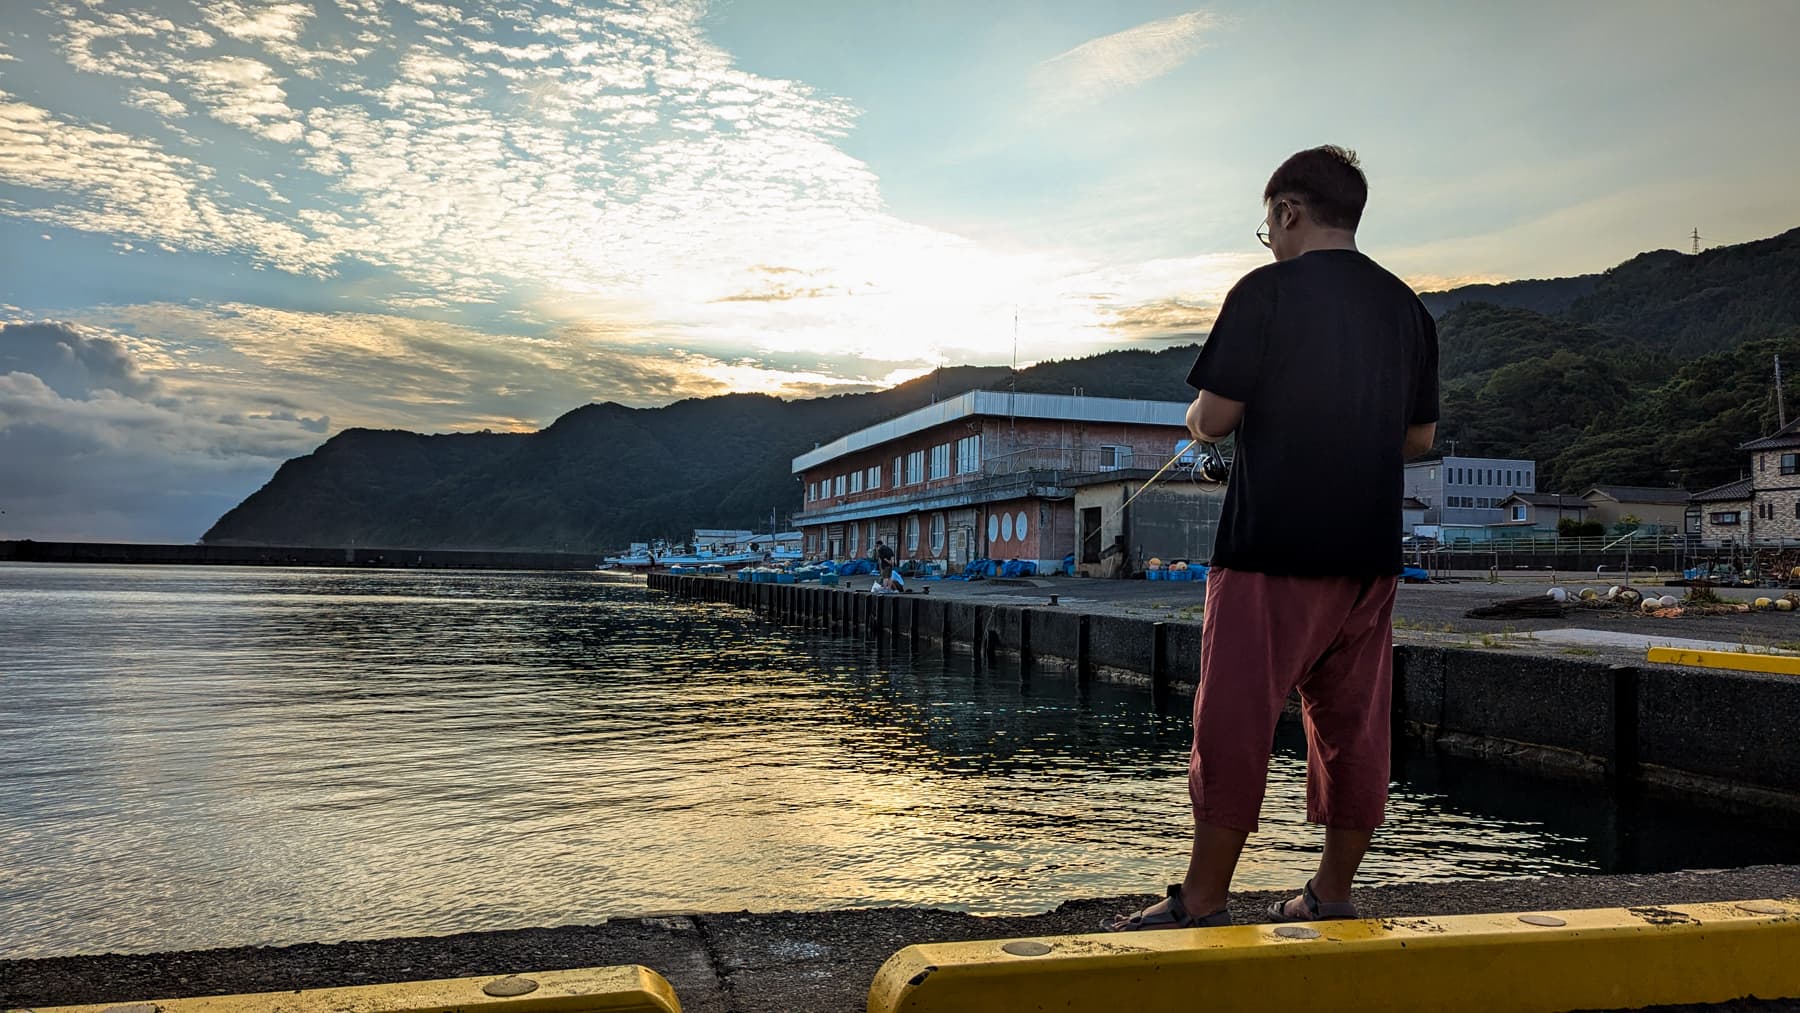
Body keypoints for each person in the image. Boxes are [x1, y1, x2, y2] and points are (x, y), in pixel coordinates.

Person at [1109, 146, 1438, 931]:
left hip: (1270, 546)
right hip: (1368, 556)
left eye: (1270, 224)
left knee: (1233, 716)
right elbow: (1419, 438)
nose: (1271, 238)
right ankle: (1331, 890)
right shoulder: (1409, 310)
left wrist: (1195, 419)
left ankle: (1205, 898)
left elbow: (1215, 417)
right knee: (1353, 725)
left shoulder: (1266, 291)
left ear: (1289, 212)